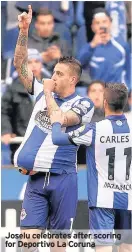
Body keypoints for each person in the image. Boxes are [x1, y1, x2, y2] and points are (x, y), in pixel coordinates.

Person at [13, 5, 94, 252]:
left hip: (63, 181)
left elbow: (60, 119)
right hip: (35, 180)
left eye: (59, 74)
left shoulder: (83, 103)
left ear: (72, 80)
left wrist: (47, 92)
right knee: (27, 245)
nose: (53, 76)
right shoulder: (40, 92)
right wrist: (23, 31)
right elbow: (20, 65)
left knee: (57, 246)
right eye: (54, 72)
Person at [51, 83, 132, 252]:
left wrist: (57, 122)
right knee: (127, 247)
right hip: (128, 198)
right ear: (125, 103)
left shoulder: (95, 129)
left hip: (102, 199)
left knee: (103, 247)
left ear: (104, 103)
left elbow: (58, 138)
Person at [1, 48, 44, 164]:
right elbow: (3, 111)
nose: (33, 65)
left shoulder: (51, 86)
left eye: (37, 61)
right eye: (29, 62)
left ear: (41, 64)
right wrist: (6, 131)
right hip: (21, 143)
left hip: (46, 145)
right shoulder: (13, 89)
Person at [77, 8, 130, 89]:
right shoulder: (88, 47)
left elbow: (129, 70)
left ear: (110, 23)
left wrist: (129, 90)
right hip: (96, 93)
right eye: (97, 23)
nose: (101, 26)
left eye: (104, 22)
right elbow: (77, 66)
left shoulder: (122, 46)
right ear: (92, 27)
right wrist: (92, 45)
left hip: (117, 93)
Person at [28, 8, 71, 74]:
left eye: (49, 23)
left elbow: (71, 70)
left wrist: (60, 58)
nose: (46, 27)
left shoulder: (62, 43)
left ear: (53, 24)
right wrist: (39, 58)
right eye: (42, 23)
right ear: (36, 25)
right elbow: (18, 68)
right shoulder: (26, 43)